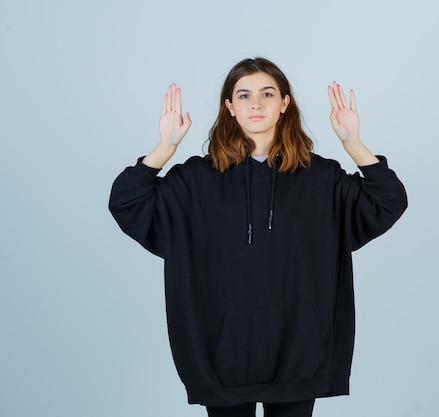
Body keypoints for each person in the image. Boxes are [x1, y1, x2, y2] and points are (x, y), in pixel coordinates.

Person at [109, 57, 408, 417]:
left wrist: (353, 143)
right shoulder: (195, 180)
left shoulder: (321, 178)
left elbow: (388, 201)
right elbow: (127, 203)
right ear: (230, 107)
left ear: (284, 104)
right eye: (244, 95)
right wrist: (165, 148)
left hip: (298, 353)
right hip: (223, 359)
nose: (255, 103)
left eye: (267, 94)